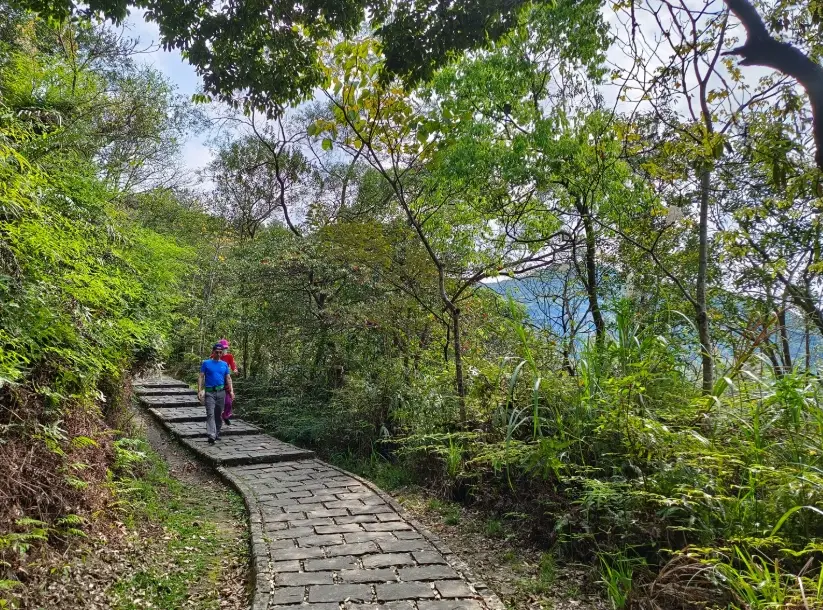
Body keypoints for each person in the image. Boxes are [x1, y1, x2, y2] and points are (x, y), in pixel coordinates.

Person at [198, 342, 234, 444]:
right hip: (209, 392)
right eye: (216, 352)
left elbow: (228, 378)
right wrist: (200, 390)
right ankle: (211, 435)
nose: (218, 354)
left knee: (218, 414)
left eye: (220, 352)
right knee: (210, 414)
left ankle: (216, 432)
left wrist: (231, 391)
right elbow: (201, 376)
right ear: (213, 352)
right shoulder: (206, 363)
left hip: (221, 392)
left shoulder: (224, 365)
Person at [216, 338, 238, 425]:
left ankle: (225, 415)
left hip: (226, 380)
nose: (224, 350)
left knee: (228, 402)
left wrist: (235, 370)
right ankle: (217, 418)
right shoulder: (215, 356)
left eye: (225, 348)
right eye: (222, 348)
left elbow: (232, 364)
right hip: (217, 381)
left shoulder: (229, 356)